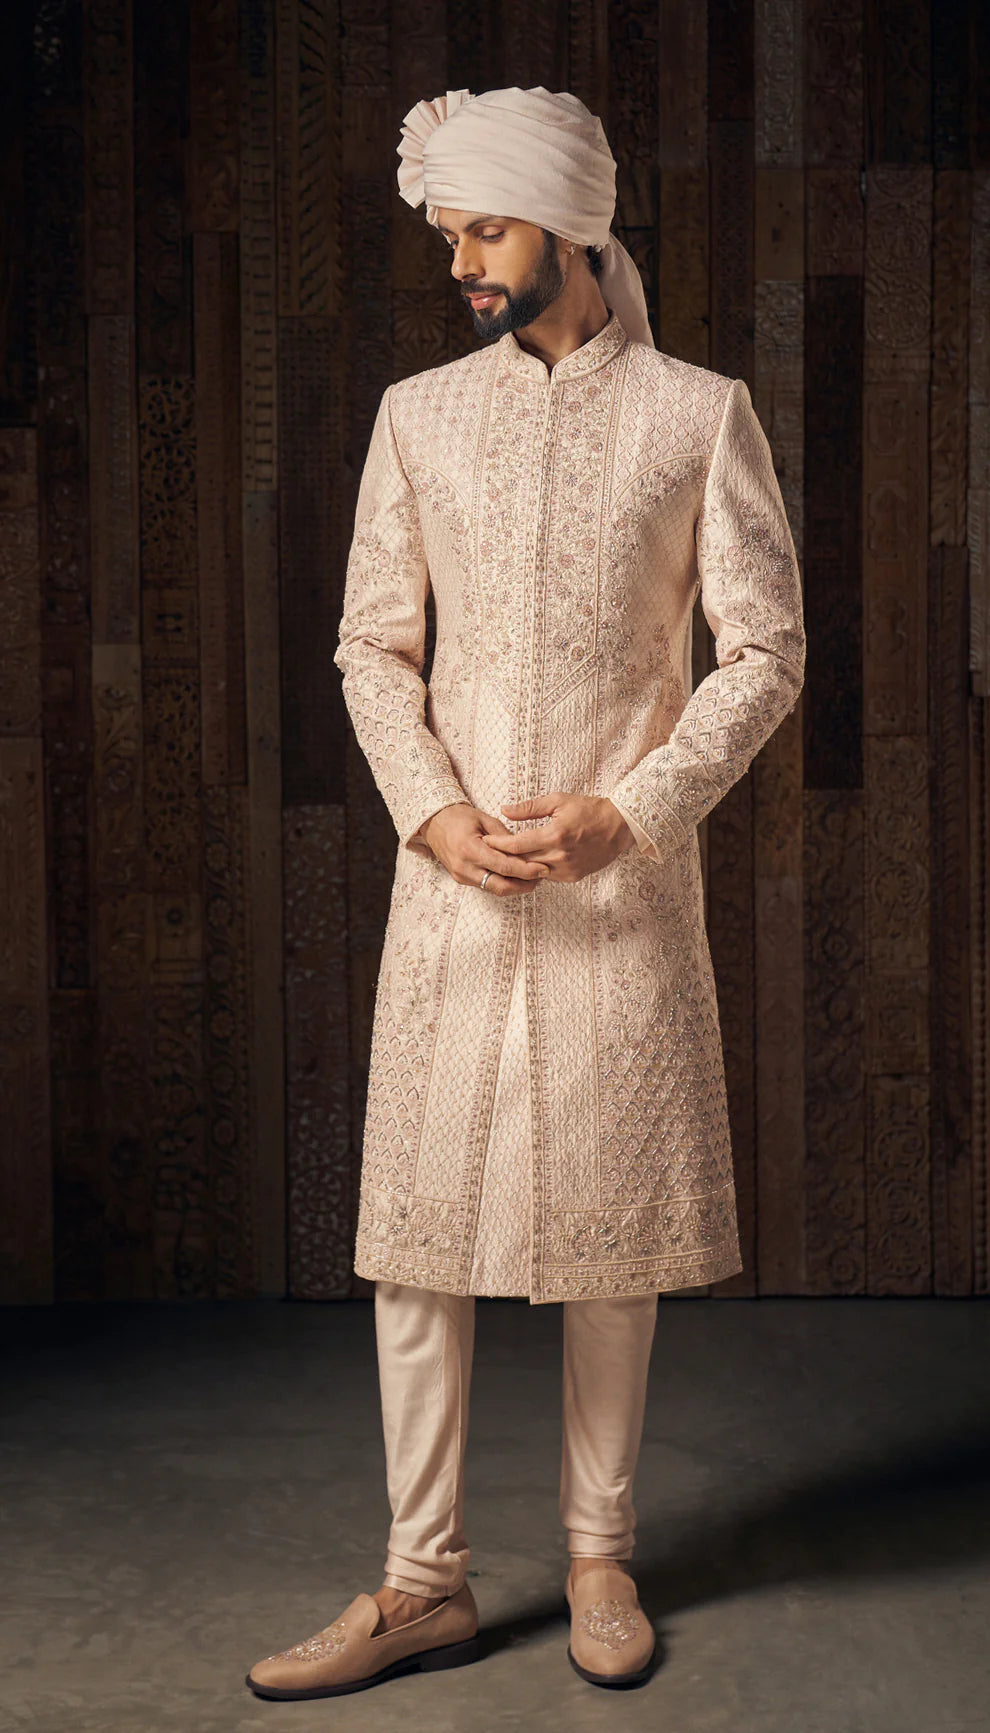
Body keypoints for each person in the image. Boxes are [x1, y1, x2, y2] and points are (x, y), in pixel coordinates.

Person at [246, 84, 805, 1702]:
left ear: (570, 224)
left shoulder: (696, 414)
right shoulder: (420, 415)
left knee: (606, 1244)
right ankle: (420, 1578)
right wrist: (427, 818)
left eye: (482, 232)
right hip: (456, 894)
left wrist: (631, 814)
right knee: (416, 1241)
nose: (460, 267)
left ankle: (597, 1555)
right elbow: (371, 643)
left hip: (621, 893)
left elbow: (760, 651)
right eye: (447, 238)